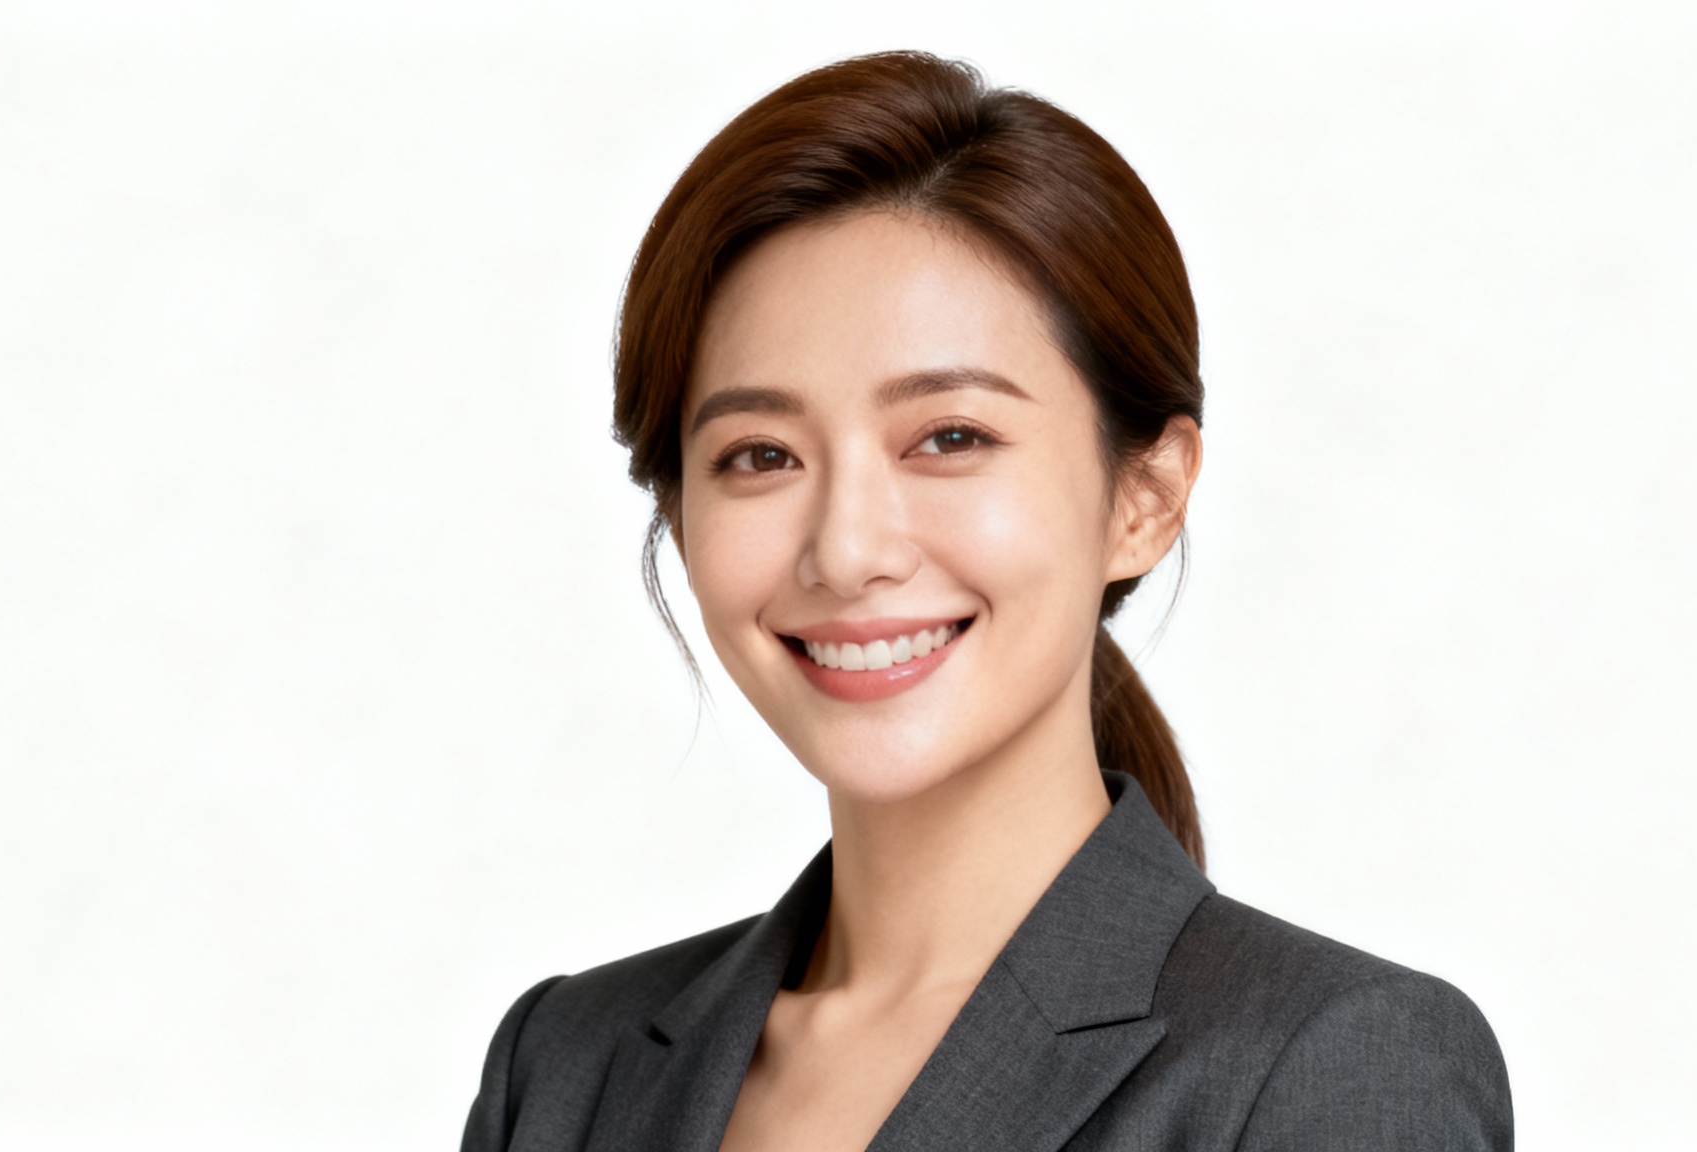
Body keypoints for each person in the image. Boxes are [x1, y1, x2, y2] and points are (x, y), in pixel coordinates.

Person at [461, 51, 1512, 1152]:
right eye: (760, 454)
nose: (848, 549)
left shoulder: (1328, 1064)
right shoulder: (566, 1066)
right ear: (679, 512)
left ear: (1141, 498)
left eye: (949, 438)